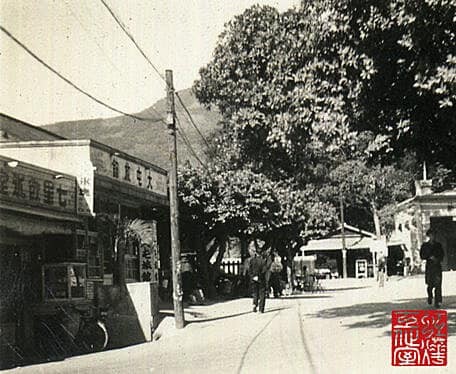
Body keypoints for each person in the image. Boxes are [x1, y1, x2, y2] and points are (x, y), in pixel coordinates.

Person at [420, 228, 444, 308]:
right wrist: (429, 257)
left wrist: (437, 259)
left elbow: (442, 255)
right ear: (428, 236)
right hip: (429, 267)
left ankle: (438, 301)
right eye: (431, 235)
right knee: (430, 285)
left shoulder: (438, 245)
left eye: (434, 235)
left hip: (437, 266)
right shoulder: (425, 246)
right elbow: (422, 255)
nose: (432, 237)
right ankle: (430, 296)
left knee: (438, 284)